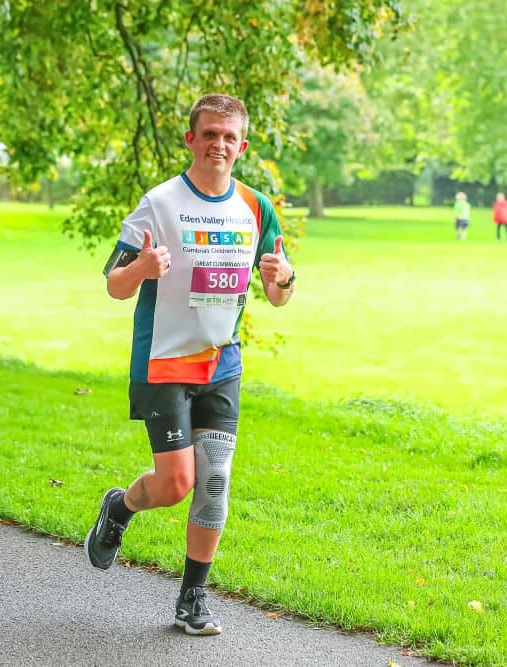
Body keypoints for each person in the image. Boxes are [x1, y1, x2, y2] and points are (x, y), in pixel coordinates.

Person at [86, 93, 295, 637]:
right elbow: (113, 284)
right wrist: (143, 269)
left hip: (222, 363)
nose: (219, 145)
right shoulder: (158, 203)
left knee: (215, 483)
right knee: (176, 484)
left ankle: (193, 596)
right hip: (165, 362)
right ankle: (121, 506)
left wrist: (284, 279)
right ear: (191, 139)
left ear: (241, 146)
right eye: (209, 134)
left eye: (229, 137)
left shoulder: (256, 207)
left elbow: (277, 295)